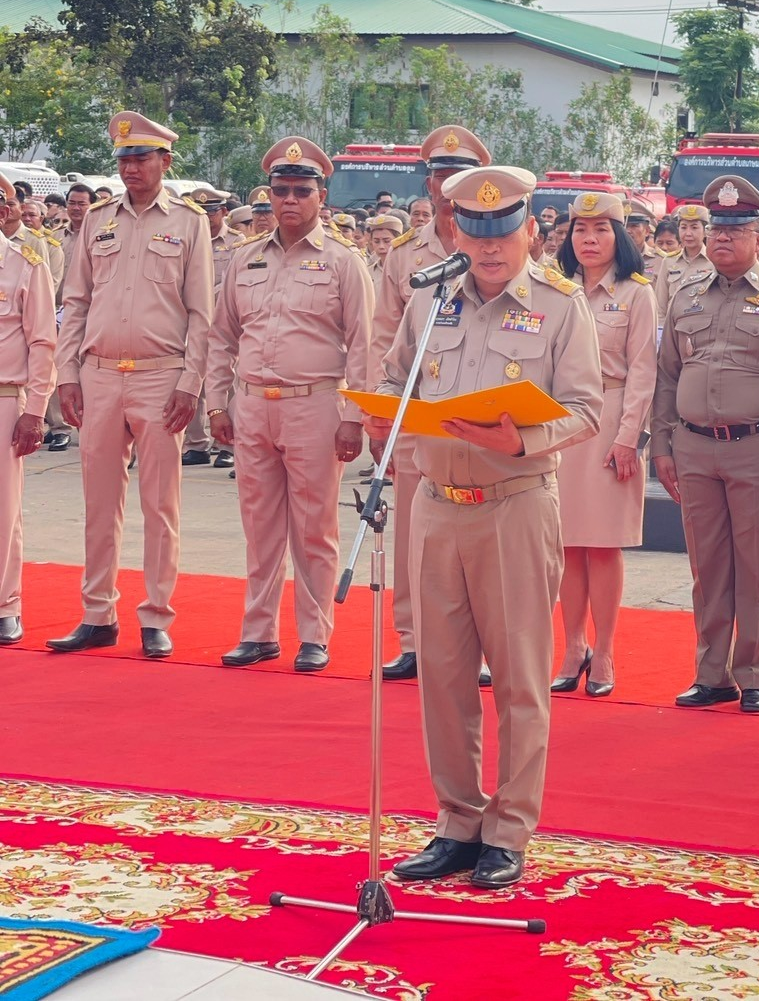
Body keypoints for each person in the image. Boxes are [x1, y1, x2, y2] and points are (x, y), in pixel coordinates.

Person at [376, 165, 602, 889]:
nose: (490, 245)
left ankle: (509, 831)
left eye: (504, 230)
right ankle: (457, 822)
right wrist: (383, 411)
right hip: (437, 505)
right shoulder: (431, 300)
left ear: (532, 230)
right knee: (441, 677)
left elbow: (586, 407)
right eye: (475, 230)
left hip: (515, 502)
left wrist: (525, 442)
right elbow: (392, 378)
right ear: (455, 232)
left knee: (519, 678)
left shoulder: (562, 306)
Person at [49, 111, 214, 658]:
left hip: (160, 375)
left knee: (159, 504)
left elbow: (201, 314)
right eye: (122, 158)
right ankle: (98, 613)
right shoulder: (97, 220)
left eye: (140, 157)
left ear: (165, 161)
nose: (130, 167)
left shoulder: (190, 222)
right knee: (99, 501)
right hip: (98, 374)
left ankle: (156, 616)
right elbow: (75, 302)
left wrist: (191, 383)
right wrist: (67, 374)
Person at [652, 176, 759, 711]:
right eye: (716, 229)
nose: (723, 239)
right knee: (708, 566)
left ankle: (755, 674)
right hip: (694, 446)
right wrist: (661, 446)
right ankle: (711, 672)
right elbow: (667, 377)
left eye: (737, 230)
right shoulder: (685, 297)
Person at [208, 137, 373, 674]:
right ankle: (257, 633)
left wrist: (354, 418)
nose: (290, 201)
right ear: (269, 195)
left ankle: (313, 635)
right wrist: (217, 403)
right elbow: (221, 337)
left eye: (302, 191)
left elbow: (364, 346)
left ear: (321, 196)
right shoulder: (245, 259)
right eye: (281, 191)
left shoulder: (344, 262)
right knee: (259, 526)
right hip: (254, 402)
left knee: (313, 528)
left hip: (316, 405)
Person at [367, 124, 491, 681]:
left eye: (457, 176)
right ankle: (414, 639)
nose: (447, 187)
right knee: (414, 532)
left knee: (483, 535)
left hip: (479, 415)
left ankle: (483, 648)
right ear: (429, 182)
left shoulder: (492, 242)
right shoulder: (404, 253)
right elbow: (381, 336)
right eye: (440, 175)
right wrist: (379, 413)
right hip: (417, 413)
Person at [552, 192, 657, 698]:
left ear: (621, 236)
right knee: (566, 544)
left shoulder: (637, 293)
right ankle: (573, 646)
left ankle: (607, 647)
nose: (589, 240)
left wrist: (628, 438)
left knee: (603, 544)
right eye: (579, 230)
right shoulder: (554, 289)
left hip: (613, 419)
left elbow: (643, 372)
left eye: (600, 230)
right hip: (561, 426)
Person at [0, 177, 57, 645]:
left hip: (3, 398)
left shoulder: (25, 265)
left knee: (4, 510)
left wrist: (34, 410)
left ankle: (4, 604)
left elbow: (43, 342)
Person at [181, 188, 238, 470]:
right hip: (190, 324)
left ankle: (227, 445)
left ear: (224, 212)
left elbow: (230, 286)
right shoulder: (187, 239)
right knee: (192, 381)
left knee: (224, 382)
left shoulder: (238, 244)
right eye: (201, 212)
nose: (206, 217)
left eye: (212, 211)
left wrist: (202, 295)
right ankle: (195, 444)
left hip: (224, 324)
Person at [44, 184, 98, 453]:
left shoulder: (100, 236)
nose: (76, 209)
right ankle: (60, 428)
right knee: (59, 369)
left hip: (93, 315)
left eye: (82, 204)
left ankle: (89, 427)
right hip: (57, 313)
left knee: (89, 374)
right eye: (72, 203)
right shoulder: (55, 239)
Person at [653, 203, 709, 318]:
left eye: (694, 227)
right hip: (673, 327)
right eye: (683, 227)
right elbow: (660, 306)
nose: (688, 233)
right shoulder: (669, 262)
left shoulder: (714, 261)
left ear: (706, 231)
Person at [365, 213, 404, 284]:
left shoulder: (407, 268)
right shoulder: (368, 272)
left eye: (387, 241)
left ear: (399, 240)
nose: (381, 246)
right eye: (376, 241)